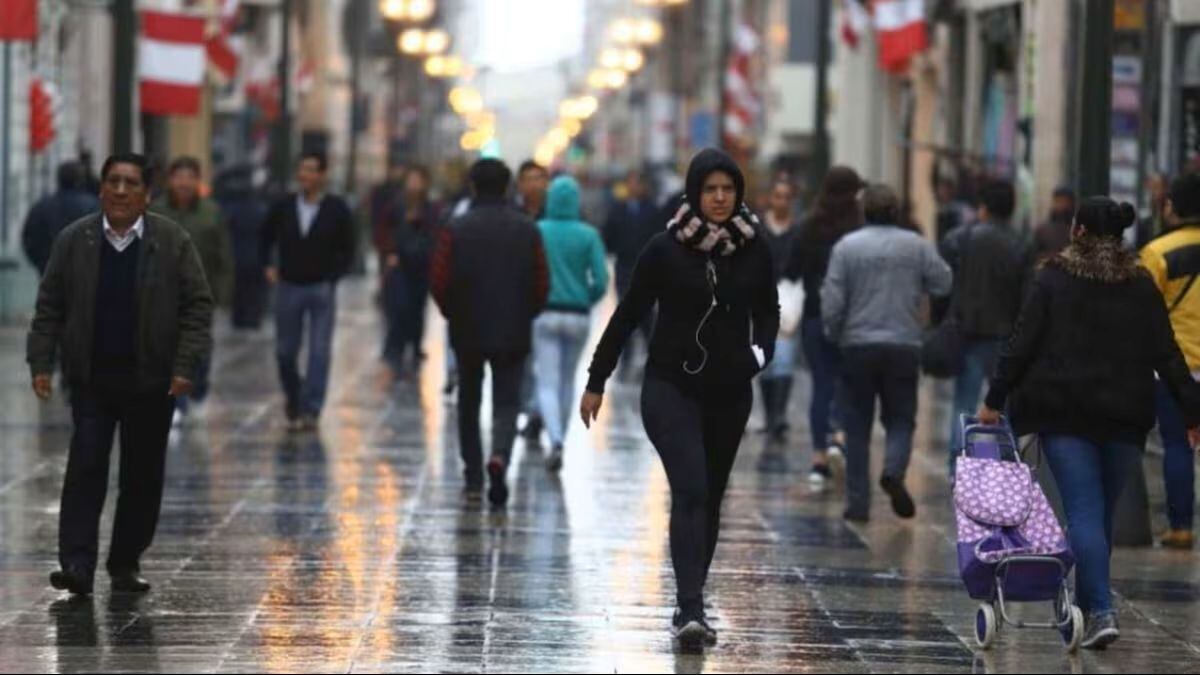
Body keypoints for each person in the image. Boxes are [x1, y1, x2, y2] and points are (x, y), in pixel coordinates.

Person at [981, 197, 1200, 650]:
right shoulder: (1140, 283)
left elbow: (1022, 343)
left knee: (1084, 514)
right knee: (1094, 517)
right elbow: (1167, 351)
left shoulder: (1054, 277)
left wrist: (994, 399)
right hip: (1125, 416)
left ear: (1077, 231)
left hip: (1064, 413)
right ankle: (1084, 615)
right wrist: (1192, 412)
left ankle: (1098, 611)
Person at [580, 148, 779, 648]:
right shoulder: (665, 249)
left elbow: (769, 309)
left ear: (738, 194)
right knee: (689, 487)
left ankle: (692, 596)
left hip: (730, 392)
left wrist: (760, 355)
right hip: (670, 387)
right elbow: (627, 315)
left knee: (709, 497)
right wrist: (597, 380)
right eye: (710, 189)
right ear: (695, 193)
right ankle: (690, 610)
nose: (718, 198)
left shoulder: (754, 248)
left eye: (727, 190)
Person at [27, 153, 214, 596]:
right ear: (101, 189)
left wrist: (185, 367)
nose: (121, 191)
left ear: (148, 195)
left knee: (141, 477)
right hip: (91, 379)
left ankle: (125, 561)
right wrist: (41, 362)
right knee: (85, 470)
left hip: (150, 381)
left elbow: (197, 306)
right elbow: (50, 305)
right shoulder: (76, 240)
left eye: (132, 183)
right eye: (113, 181)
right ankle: (76, 564)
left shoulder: (171, 241)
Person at [822, 183, 952, 523]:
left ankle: (858, 503)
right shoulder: (916, 246)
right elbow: (944, 282)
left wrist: (834, 334)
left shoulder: (846, 248)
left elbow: (833, 301)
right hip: (903, 344)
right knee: (900, 419)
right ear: (896, 212)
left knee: (857, 425)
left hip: (858, 344)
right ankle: (893, 469)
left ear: (865, 211)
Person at [431, 158, 549, 507]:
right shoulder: (527, 228)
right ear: (508, 187)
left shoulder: (456, 228)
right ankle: (499, 456)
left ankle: (472, 477)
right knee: (507, 400)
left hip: (467, 328)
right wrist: (527, 312)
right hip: (513, 328)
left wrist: (452, 311)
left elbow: (438, 279)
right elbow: (542, 281)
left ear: (472, 186)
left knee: (469, 400)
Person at [938, 179, 1030, 476]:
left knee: (963, 405)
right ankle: (1007, 468)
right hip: (1007, 336)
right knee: (1004, 408)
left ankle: (959, 467)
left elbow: (943, 285)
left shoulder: (958, 239)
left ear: (984, 207)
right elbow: (1028, 296)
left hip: (968, 332)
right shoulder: (1021, 244)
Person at [260, 151, 356, 432]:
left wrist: (334, 276)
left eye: (312, 170)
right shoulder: (284, 206)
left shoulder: (337, 208)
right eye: (302, 169)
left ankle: (311, 408)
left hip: (321, 287)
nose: (306, 175)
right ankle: (295, 395)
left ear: (323, 175)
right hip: (289, 285)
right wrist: (268, 265)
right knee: (285, 351)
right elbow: (265, 236)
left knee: (319, 351)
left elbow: (349, 246)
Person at [786, 166, 863, 486]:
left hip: (817, 315)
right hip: (853, 317)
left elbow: (791, 270)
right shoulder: (860, 228)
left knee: (821, 384)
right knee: (848, 384)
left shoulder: (808, 227)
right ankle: (841, 437)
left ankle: (818, 458)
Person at [1140, 172, 1200, 549]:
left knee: (1178, 444)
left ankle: (1181, 527)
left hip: (1176, 367)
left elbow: (1142, 310)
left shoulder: (1159, 252)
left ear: (1173, 206)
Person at [533, 175, 608, 470]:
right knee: (567, 380)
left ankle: (554, 440)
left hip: (545, 312)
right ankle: (560, 437)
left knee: (547, 381)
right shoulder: (588, 235)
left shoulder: (539, 231)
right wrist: (586, 298)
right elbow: (601, 279)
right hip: (577, 314)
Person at [152, 157, 234, 424]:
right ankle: (178, 400)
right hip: (165, 294)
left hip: (202, 293)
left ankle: (198, 388)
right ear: (170, 181)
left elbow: (224, 255)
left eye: (190, 177)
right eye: (179, 177)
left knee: (199, 349)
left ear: (198, 182)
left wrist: (223, 293)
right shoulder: (156, 211)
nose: (184, 183)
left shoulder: (211, 212)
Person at [381, 164, 440, 377]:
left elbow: (435, 234)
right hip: (399, 266)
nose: (414, 185)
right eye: (411, 180)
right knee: (399, 308)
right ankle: (394, 350)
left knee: (417, 310)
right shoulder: (396, 206)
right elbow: (383, 231)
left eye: (418, 180)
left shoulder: (431, 208)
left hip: (421, 265)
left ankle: (415, 348)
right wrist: (389, 253)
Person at [602, 169, 661, 378]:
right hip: (625, 269)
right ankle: (624, 361)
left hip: (647, 271)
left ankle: (654, 361)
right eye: (632, 182)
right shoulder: (617, 210)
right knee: (625, 316)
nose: (635, 187)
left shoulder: (653, 211)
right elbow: (607, 236)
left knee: (646, 318)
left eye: (639, 183)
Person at [758, 179, 801, 442]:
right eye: (778, 195)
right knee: (765, 359)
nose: (782, 201)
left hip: (790, 298)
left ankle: (778, 415)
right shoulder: (760, 229)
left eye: (787, 196)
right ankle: (769, 414)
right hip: (761, 299)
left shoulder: (798, 230)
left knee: (784, 356)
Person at [515, 160, 551, 441]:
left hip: (551, 299)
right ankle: (530, 408)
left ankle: (539, 413)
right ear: (519, 184)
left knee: (547, 361)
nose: (534, 184)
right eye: (529, 178)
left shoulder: (557, 212)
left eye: (540, 178)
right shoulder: (514, 214)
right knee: (523, 360)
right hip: (521, 299)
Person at [214, 164, 269, 330]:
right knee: (250, 291)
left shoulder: (227, 206)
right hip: (251, 256)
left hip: (239, 255)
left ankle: (243, 318)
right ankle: (250, 318)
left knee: (241, 290)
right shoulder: (259, 206)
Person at [21, 161, 99, 276]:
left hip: (49, 271)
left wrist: (41, 265)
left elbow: (29, 238)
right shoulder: (92, 205)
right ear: (79, 180)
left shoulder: (41, 206)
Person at [1032, 186, 1076, 258]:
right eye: (1057, 201)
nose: (1059, 206)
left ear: (1071, 203)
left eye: (1063, 201)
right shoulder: (1042, 231)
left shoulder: (1078, 230)